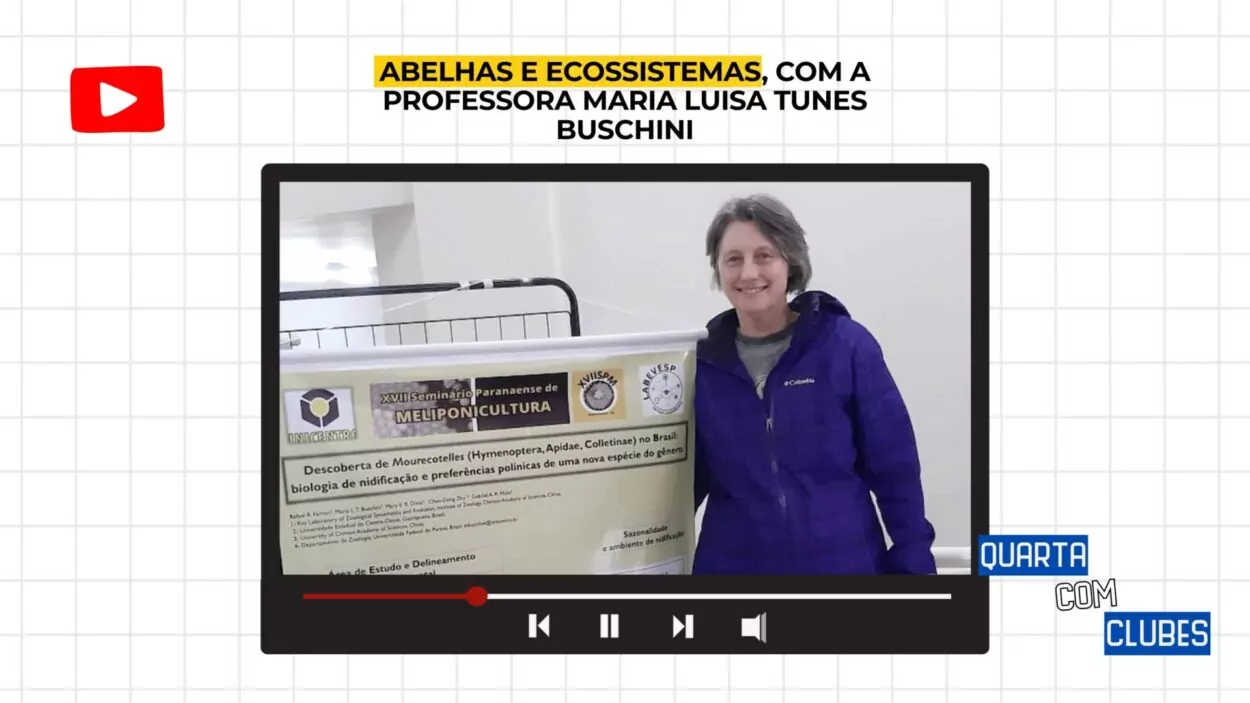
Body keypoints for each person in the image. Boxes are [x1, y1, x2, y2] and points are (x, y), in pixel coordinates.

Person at [692, 193, 937, 575]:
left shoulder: (845, 345)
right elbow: (681, 483)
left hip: (843, 565)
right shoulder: (700, 362)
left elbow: (895, 467)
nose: (748, 273)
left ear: (790, 262)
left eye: (765, 255)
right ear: (718, 269)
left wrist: (914, 559)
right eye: (733, 259)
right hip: (733, 570)